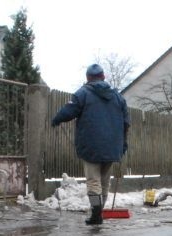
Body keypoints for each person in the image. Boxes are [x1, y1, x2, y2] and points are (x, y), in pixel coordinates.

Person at [52, 64, 130, 225]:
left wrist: (56, 119)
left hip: (91, 146)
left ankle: (96, 214)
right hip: (112, 148)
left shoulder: (83, 93)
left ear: (88, 78)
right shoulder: (118, 97)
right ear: (103, 76)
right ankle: (99, 212)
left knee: (93, 181)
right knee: (104, 182)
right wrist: (123, 143)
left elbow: (69, 111)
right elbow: (127, 122)